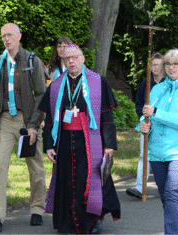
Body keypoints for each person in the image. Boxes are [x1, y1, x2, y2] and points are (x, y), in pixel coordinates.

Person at [38, 44, 120, 234]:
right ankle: (68, 221)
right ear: (63, 61)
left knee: (90, 180)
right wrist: (49, 145)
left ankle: (93, 219)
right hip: (65, 141)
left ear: (82, 59)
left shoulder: (97, 82)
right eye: (67, 58)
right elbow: (49, 118)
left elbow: (107, 116)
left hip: (90, 140)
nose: (71, 61)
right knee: (67, 181)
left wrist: (109, 145)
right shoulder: (57, 85)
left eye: (75, 57)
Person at [0, 23, 46, 232]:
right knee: (0, 165)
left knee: (36, 167)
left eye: (10, 35)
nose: (6, 39)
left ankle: (37, 210)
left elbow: (42, 95)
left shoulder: (32, 60)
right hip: (5, 121)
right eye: (3, 36)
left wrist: (34, 125)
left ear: (19, 36)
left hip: (27, 121)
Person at [138, 49, 178, 234]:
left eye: (176, 64)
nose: (171, 67)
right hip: (157, 152)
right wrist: (143, 126)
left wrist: (156, 113)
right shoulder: (157, 89)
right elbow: (146, 116)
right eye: (168, 64)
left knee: (173, 194)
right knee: (166, 197)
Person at [126, 52, 163, 199]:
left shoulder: (168, 83)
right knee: (144, 155)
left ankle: (166, 187)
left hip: (164, 125)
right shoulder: (145, 83)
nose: (155, 68)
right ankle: (139, 187)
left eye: (158, 65)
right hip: (147, 124)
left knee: (163, 156)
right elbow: (139, 104)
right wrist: (142, 119)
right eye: (153, 65)